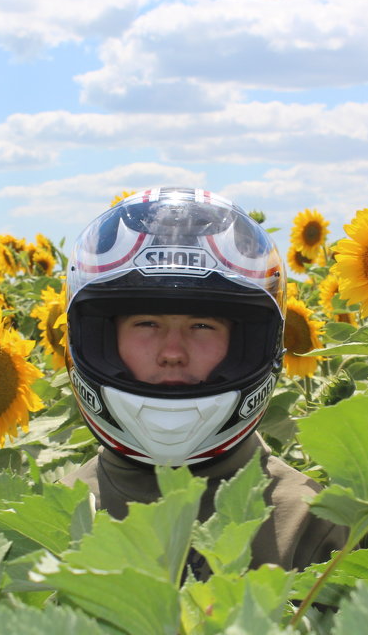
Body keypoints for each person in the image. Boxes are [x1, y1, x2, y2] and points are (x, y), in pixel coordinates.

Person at [61, 187, 346, 574]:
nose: (173, 352)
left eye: (202, 325)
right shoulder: (53, 521)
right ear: (99, 339)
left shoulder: (311, 521)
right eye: (147, 323)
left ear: (247, 343)